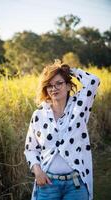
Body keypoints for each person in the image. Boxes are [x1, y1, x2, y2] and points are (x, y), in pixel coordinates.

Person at [24, 60, 100, 200]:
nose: (54, 88)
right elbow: (30, 148)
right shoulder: (39, 115)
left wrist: (68, 70)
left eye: (59, 83)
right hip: (47, 184)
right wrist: (37, 171)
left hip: (76, 185)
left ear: (68, 86)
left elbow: (94, 81)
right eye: (49, 85)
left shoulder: (79, 107)